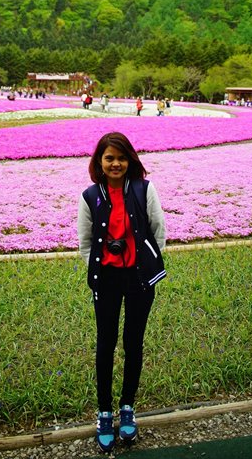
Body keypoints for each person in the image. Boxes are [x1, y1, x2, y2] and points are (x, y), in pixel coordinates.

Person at [77, 132, 166, 453]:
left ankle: (127, 408)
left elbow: (159, 231)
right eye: (109, 158)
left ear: (130, 160)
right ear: (99, 162)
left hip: (139, 279)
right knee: (106, 343)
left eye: (121, 157)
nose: (115, 164)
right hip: (108, 280)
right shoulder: (90, 196)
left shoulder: (145, 189)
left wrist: (147, 264)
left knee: (133, 343)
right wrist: (99, 271)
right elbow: (86, 244)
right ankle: (104, 413)